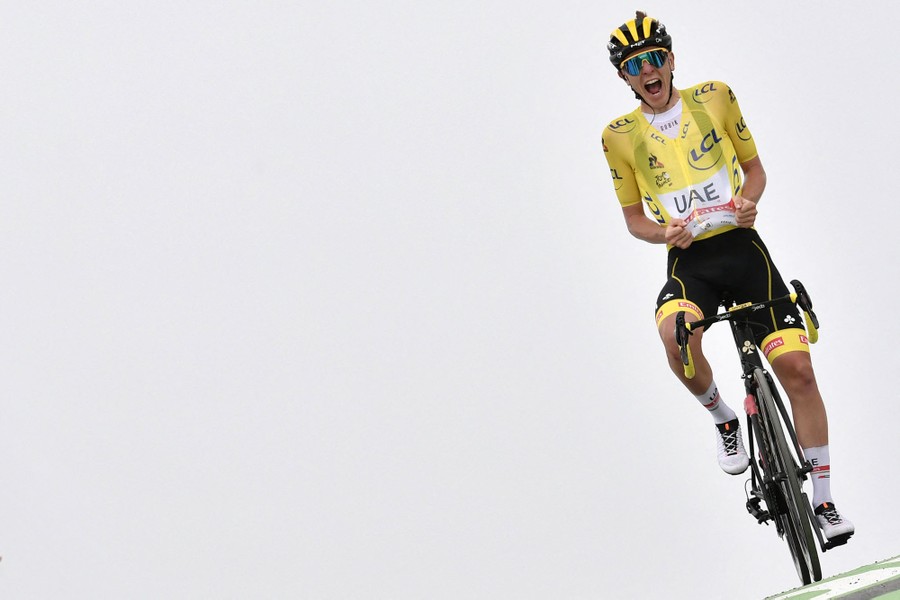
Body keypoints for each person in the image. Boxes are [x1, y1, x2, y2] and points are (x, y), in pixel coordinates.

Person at [602, 11, 854, 542]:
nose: (648, 70)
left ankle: (826, 501)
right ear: (625, 78)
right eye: (634, 65)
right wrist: (664, 234)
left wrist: (748, 203)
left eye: (655, 58)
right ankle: (723, 418)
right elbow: (633, 221)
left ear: (671, 60)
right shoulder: (617, 136)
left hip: (744, 253)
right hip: (691, 264)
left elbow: (755, 171)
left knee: (799, 370)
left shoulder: (715, 96)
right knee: (675, 337)